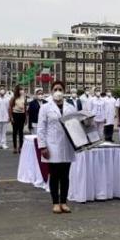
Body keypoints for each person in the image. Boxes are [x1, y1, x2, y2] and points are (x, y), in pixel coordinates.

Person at [36, 81, 76, 214]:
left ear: (64, 91)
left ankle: (64, 202)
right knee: (54, 175)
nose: (58, 91)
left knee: (65, 175)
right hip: (52, 145)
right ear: (52, 91)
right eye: (55, 89)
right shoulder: (46, 107)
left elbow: (75, 126)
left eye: (60, 89)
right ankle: (55, 202)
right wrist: (43, 147)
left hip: (67, 145)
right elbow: (41, 128)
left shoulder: (70, 107)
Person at [9, 86, 27, 153]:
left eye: (22, 89)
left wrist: (26, 118)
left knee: (21, 132)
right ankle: (15, 147)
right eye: (20, 90)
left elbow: (25, 108)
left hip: (22, 115)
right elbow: (10, 108)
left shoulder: (24, 98)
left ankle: (20, 147)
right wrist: (11, 117)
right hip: (15, 115)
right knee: (14, 132)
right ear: (17, 91)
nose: (22, 91)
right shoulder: (13, 98)